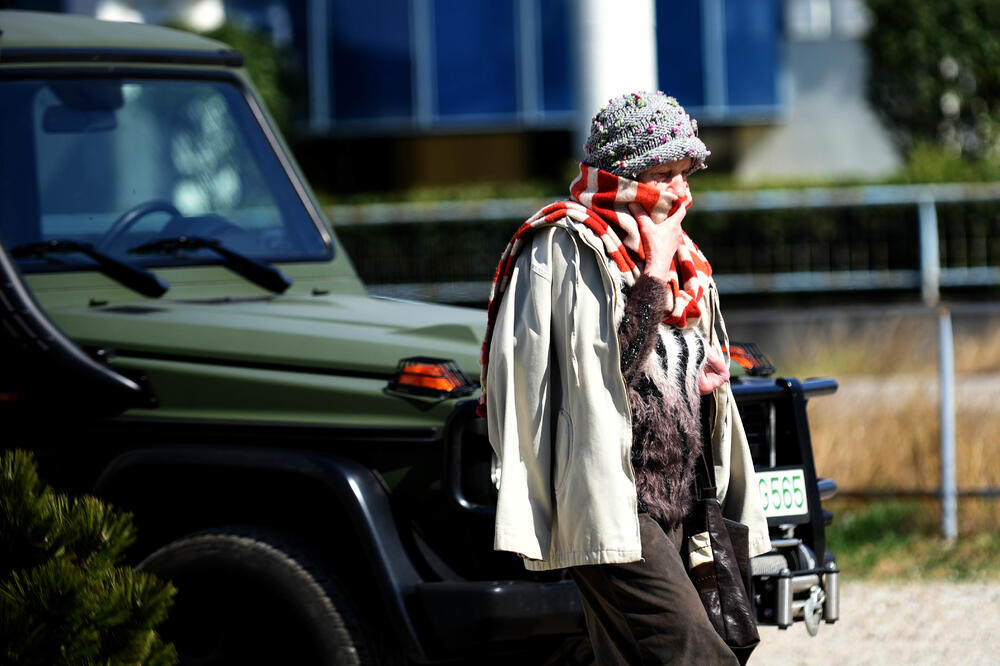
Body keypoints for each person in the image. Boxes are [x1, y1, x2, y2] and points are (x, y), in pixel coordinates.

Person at [480, 91, 771, 664]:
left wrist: (700, 380)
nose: (680, 192)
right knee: (697, 653)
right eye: (664, 174)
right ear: (623, 176)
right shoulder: (566, 246)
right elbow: (603, 377)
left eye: (686, 175)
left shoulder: (679, 253)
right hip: (615, 502)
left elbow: (656, 369)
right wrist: (656, 270)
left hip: (681, 499)